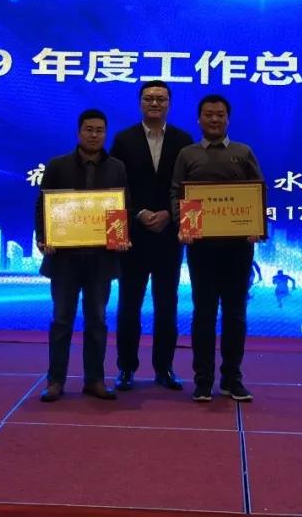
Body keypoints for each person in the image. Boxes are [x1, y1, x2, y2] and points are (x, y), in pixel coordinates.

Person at [171, 94, 263, 403]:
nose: (214, 119)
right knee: (204, 314)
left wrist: (256, 225)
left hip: (238, 249)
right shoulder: (188, 154)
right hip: (201, 248)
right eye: (209, 114)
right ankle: (203, 380)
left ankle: (232, 379)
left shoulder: (243, 152)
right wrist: (183, 225)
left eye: (220, 114)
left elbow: (257, 192)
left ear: (228, 119)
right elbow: (176, 193)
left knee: (235, 314)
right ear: (199, 119)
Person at [35, 109, 130, 403]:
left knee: (97, 322)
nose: (94, 135)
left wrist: (120, 237)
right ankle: (55, 381)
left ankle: (95, 380)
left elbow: (122, 206)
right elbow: (43, 206)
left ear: (106, 134)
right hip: (64, 259)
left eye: (100, 130)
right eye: (89, 129)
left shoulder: (117, 167)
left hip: (101, 260)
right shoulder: (57, 165)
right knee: (62, 320)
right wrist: (44, 238)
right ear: (79, 132)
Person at [110, 80, 194, 392]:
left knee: (167, 306)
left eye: (161, 98)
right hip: (133, 236)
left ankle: (164, 368)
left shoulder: (184, 140)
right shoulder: (123, 139)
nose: (155, 103)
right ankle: (126, 369)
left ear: (169, 103)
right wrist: (138, 214)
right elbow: (116, 186)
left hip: (169, 236)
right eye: (149, 98)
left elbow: (190, 187)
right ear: (140, 103)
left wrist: (171, 215)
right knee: (128, 305)